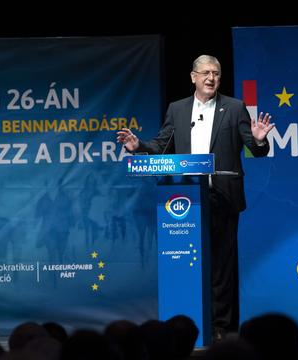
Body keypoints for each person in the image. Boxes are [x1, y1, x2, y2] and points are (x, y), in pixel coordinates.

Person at [117, 54, 274, 341]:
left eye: (216, 73)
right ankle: (191, 324)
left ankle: (223, 328)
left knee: (221, 268)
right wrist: (138, 145)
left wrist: (260, 138)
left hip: (223, 196)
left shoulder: (235, 107)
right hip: (187, 199)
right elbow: (161, 144)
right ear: (193, 77)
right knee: (187, 262)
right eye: (205, 73)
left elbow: (255, 148)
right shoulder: (177, 109)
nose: (211, 78)